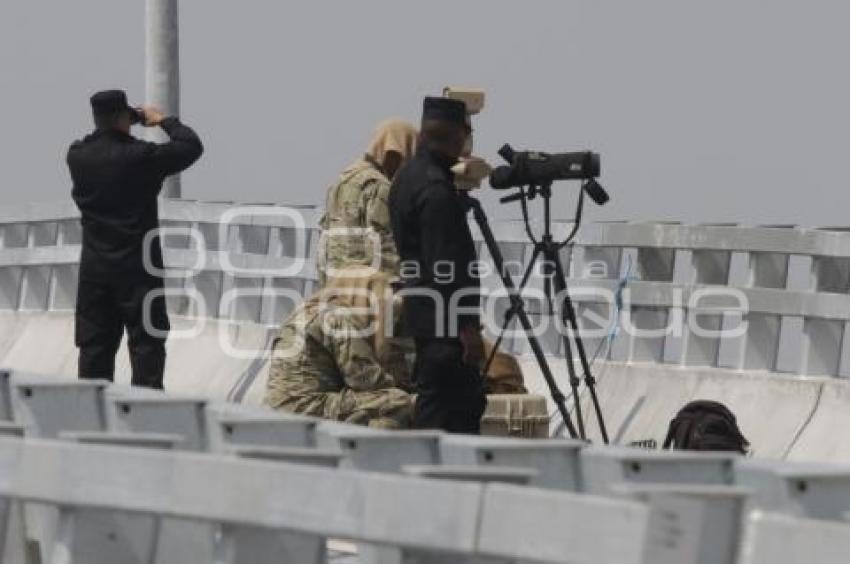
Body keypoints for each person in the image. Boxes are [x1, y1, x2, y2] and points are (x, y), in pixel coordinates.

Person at [67, 90, 203, 388]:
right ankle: (146, 415)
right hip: (139, 269)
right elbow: (191, 146)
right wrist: (162, 120)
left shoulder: (77, 156)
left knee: (94, 347)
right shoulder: (140, 157)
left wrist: (129, 120)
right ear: (123, 118)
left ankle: (91, 417)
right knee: (146, 345)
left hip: (95, 271)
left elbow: (101, 143)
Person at [388, 97, 487, 434]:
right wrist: (468, 329)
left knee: (435, 409)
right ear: (457, 135)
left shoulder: (407, 177)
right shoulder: (436, 191)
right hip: (447, 329)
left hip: (424, 318)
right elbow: (447, 268)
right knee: (454, 413)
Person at [263, 268, 414, 428]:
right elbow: (365, 379)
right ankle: (367, 451)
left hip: (280, 404)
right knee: (396, 400)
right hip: (303, 407)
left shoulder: (308, 310)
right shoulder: (338, 319)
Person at [317, 119, 418, 287]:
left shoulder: (344, 179)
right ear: (394, 153)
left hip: (335, 285)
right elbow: (384, 248)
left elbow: (325, 241)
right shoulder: (379, 186)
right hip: (363, 292)